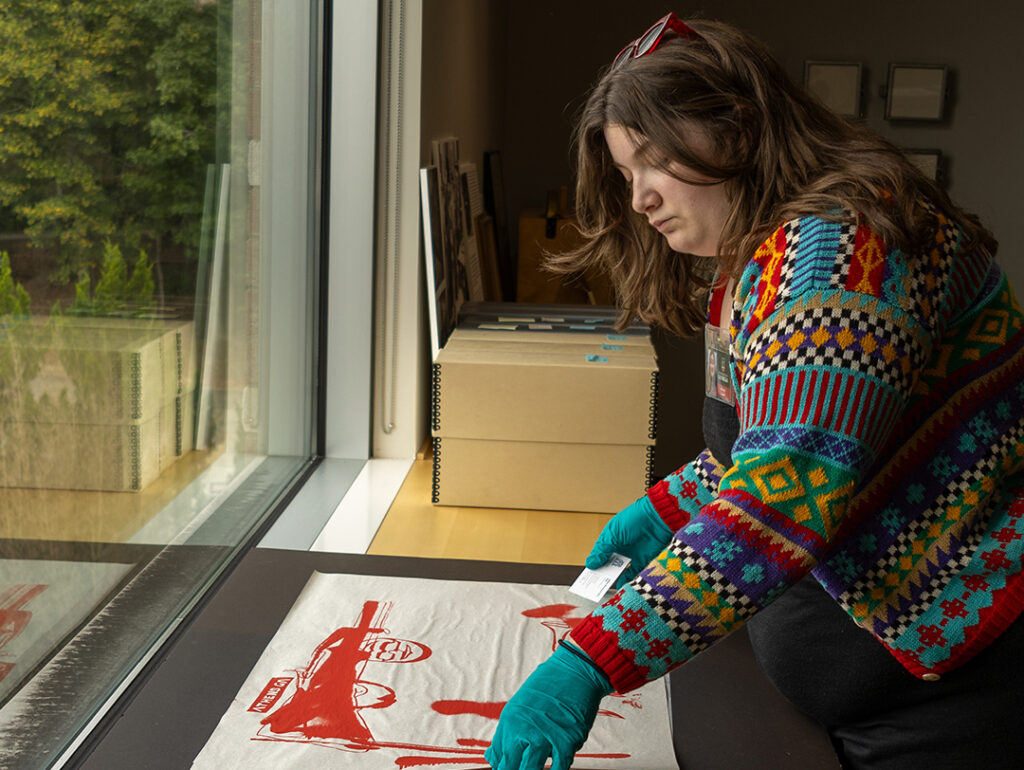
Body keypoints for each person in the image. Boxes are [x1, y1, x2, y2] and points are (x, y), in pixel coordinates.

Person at [485, 13, 1024, 770]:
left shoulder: (840, 254)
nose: (639, 198)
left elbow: (786, 483)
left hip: (951, 703)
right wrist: (672, 507)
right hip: (869, 701)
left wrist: (593, 659)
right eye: (625, 175)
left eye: (652, 162)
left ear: (735, 126)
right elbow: (800, 435)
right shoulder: (766, 258)